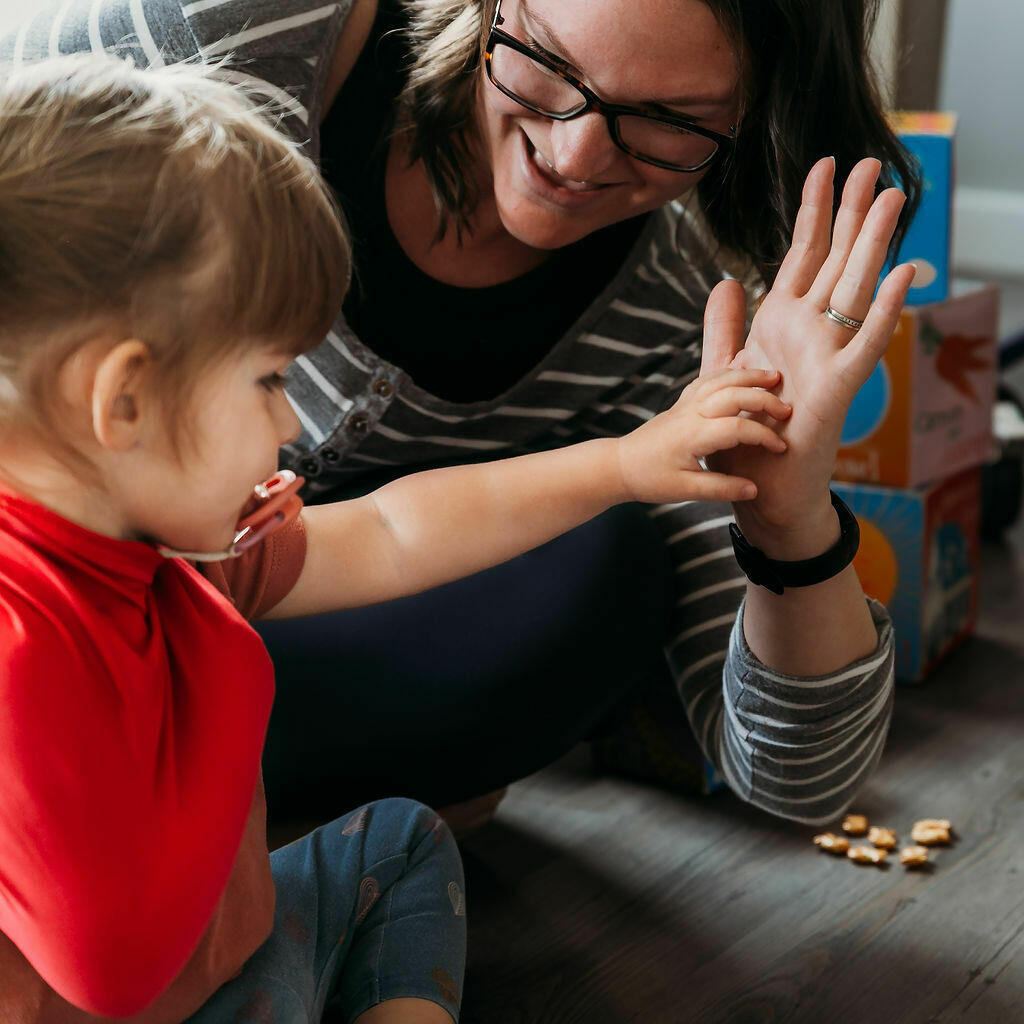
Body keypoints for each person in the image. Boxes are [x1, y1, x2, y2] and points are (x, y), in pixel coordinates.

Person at [0, 53, 911, 1023]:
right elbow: (113, 968)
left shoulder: (175, 546)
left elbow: (395, 529)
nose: (285, 429)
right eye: (268, 379)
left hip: (231, 952)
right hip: (132, 1002)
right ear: (124, 400)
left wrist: (626, 463)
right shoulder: (26, 646)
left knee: (402, 842)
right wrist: (220, 674)